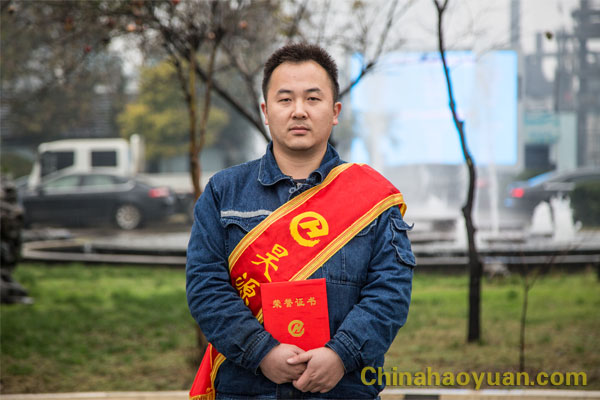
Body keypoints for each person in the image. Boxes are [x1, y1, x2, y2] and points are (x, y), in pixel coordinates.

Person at [186, 42, 416, 400]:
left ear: (335, 111)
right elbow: (206, 287)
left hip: (344, 388)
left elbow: (391, 291)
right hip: (246, 388)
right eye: (285, 99)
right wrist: (262, 352)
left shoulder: (372, 196)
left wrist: (341, 355)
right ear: (266, 111)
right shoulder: (223, 192)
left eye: (312, 98)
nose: (299, 111)